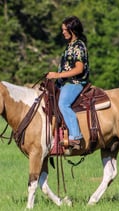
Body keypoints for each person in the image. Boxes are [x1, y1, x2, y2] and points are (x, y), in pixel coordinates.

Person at [46, 16, 89, 149]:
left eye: (65, 30)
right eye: (62, 30)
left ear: (72, 30)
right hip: (64, 82)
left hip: (75, 82)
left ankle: (75, 137)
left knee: (63, 103)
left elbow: (79, 69)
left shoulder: (79, 46)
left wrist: (58, 75)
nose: (63, 32)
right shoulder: (69, 46)